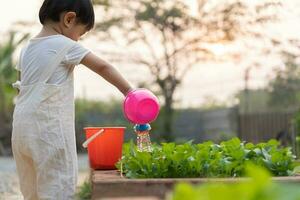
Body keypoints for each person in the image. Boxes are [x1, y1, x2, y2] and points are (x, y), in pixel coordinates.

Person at [11, 0, 133, 199]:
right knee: (58, 185)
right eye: (81, 33)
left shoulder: (26, 49)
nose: (78, 40)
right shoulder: (64, 44)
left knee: (32, 191)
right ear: (69, 19)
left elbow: (21, 90)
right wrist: (129, 92)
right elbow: (103, 67)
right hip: (48, 134)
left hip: (21, 132)